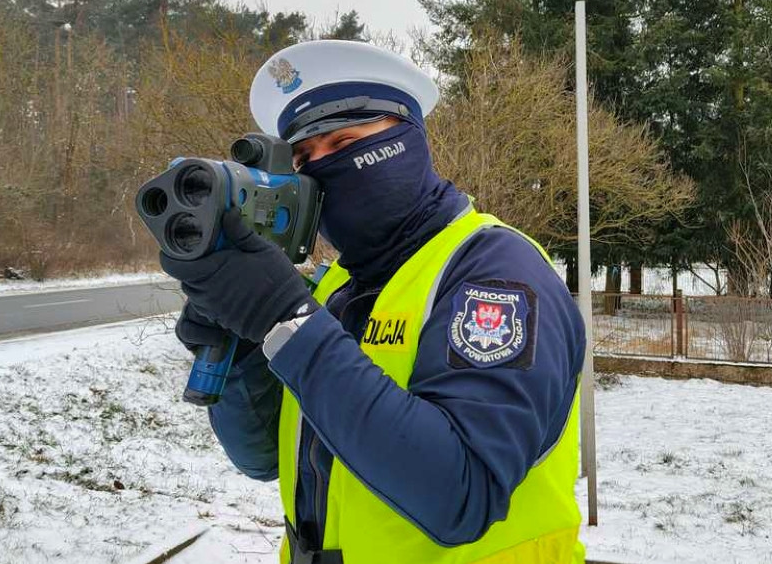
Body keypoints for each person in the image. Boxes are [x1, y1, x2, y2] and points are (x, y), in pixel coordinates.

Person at [159, 40, 586, 564]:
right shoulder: (337, 287)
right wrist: (245, 356)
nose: (322, 165)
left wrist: (287, 319)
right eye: (304, 158)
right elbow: (265, 457)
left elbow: (461, 494)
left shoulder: (496, 273)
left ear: (407, 141)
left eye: (343, 141)